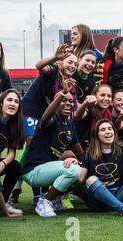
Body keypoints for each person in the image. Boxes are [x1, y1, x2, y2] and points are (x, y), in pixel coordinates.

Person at [21, 79, 83, 217]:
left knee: (82, 170)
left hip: (49, 170)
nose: (68, 103)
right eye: (63, 100)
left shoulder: (70, 125)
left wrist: (76, 160)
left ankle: (55, 200)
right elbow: (46, 116)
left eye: (70, 101)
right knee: (74, 171)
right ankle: (45, 201)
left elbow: (81, 155)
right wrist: (63, 92)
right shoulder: (52, 118)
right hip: (34, 170)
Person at [0, 89, 25, 215]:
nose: (13, 104)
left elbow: (11, 153)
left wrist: (3, 163)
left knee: (15, 166)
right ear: (1, 103)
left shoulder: (13, 126)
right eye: (9, 100)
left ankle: (3, 202)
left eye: (16, 101)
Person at [75, 84, 115, 149]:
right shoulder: (88, 109)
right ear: (94, 96)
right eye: (102, 95)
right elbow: (78, 116)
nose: (106, 98)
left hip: (98, 150)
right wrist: (85, 103)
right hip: (81, 150)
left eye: (109, 96)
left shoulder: (109, 115)